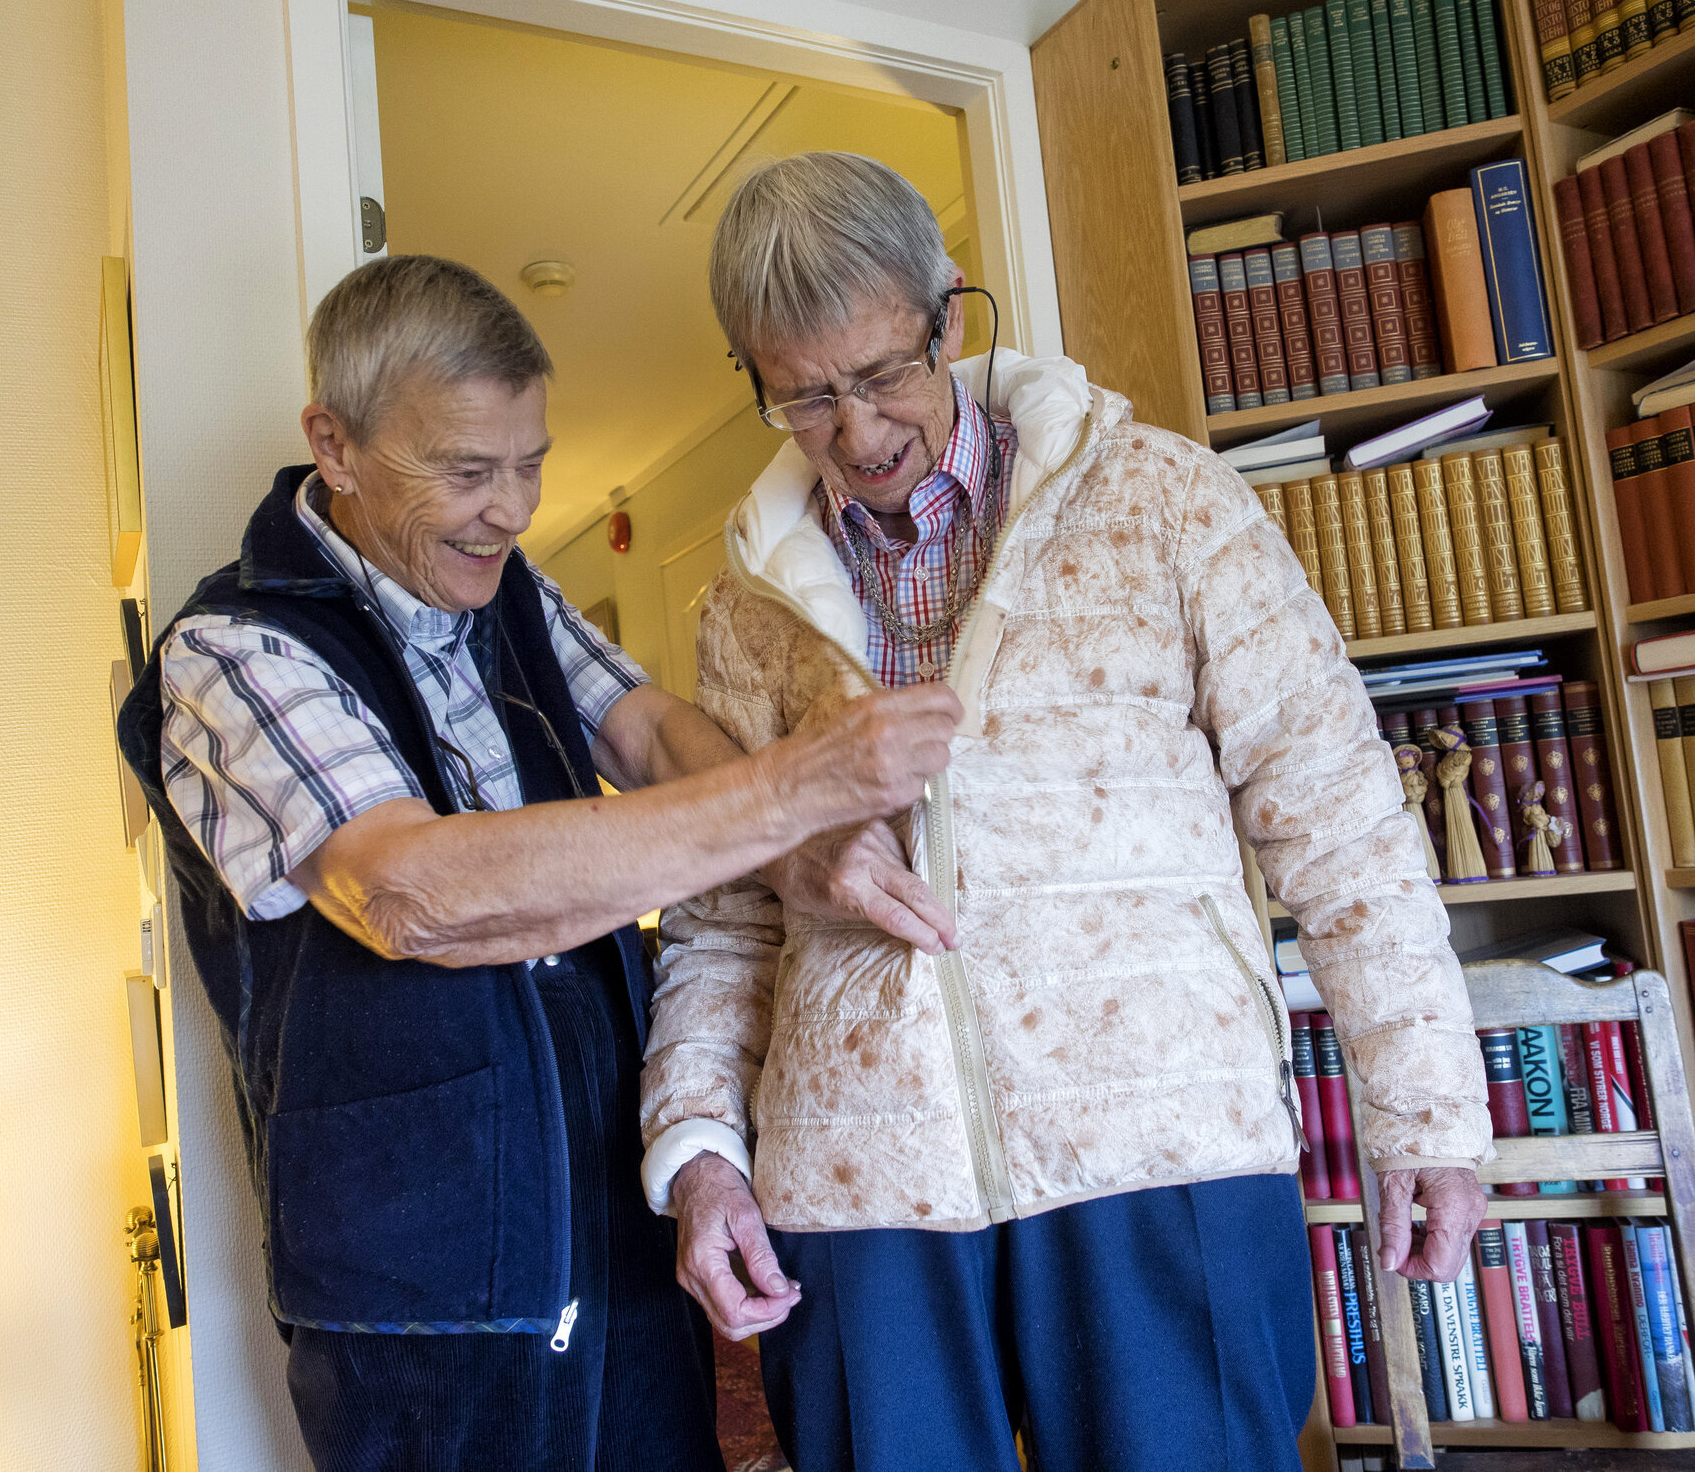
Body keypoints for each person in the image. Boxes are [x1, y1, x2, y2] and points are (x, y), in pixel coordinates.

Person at [639, 153, 1494, 1472]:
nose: (858, 435)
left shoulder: (1165, 498)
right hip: (861, 1187)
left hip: (1164, 1142)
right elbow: (720, 919)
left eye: (881, 375)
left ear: (953, 321)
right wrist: (701, 1156)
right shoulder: (739, 611)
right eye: (804, 397)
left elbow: (1340, 817)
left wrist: (1425, 1111)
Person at [115, 254, 963, 1472]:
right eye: (466, 472)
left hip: (614, 1221)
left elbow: (650, 729)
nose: (509, 510)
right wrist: (797, 788)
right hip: (422, 1300)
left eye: (529, 464)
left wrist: (816, 852)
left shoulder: (509, 589)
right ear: (335, 445)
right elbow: (412, 893)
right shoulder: (232, 653)